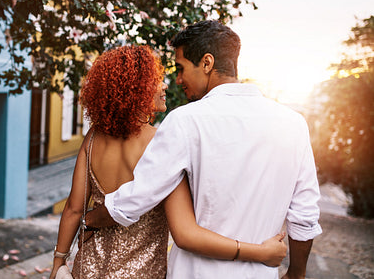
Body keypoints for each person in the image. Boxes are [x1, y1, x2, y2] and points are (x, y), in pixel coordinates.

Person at [86, 21, 323, 279]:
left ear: (207, 63)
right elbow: (305, 215)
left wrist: (90, 219)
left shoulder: (185, 121)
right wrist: (296, 273)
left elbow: (137, 196)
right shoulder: (294, 124)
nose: (178, 80)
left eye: (181, 68)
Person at [50, 45, 287, 279]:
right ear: (134, 88)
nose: (165, 85)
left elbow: (73, 208)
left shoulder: (93, 138)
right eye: (156, 80)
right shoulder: (162, 143)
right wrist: (261, 253)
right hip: (142, 274)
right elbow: (185, 232)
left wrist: (59, 262)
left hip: (89, 267)